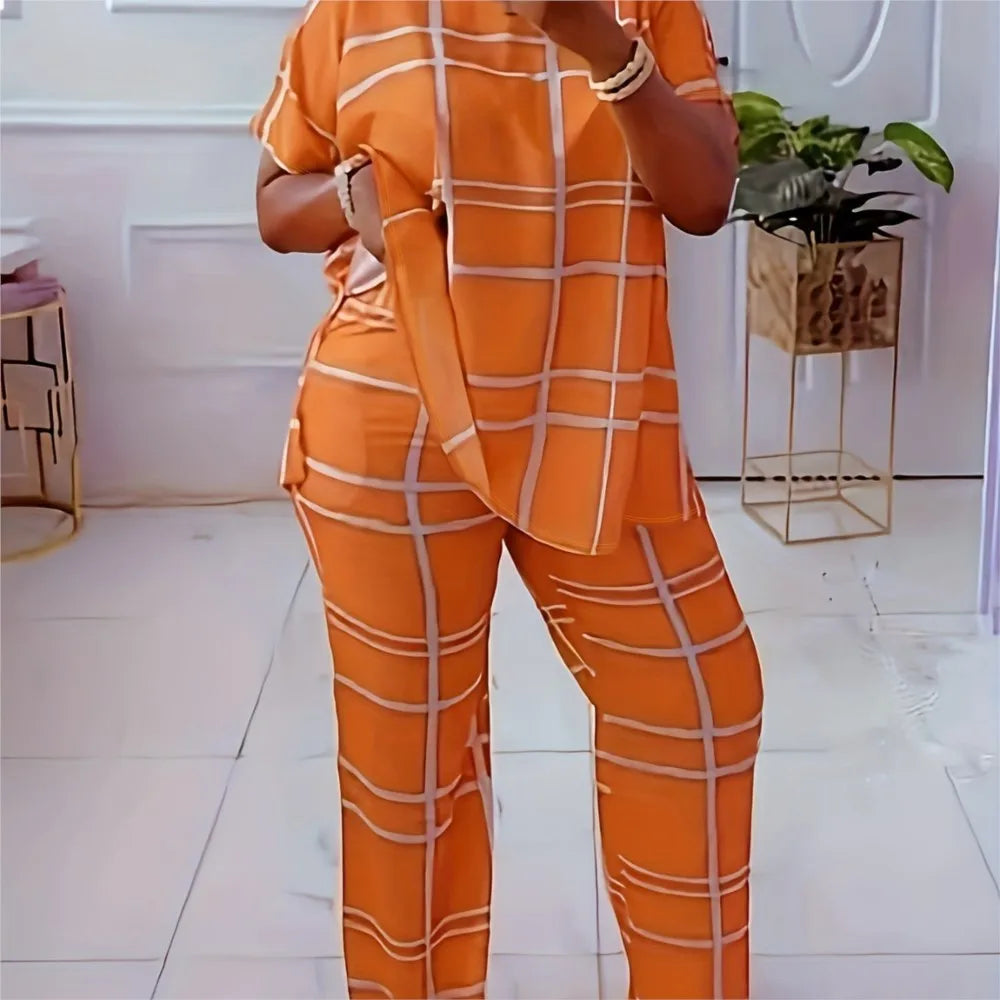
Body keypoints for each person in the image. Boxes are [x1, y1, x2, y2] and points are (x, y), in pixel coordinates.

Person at [252, 3, 763, 998]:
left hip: (596, 405)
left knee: (700, 699)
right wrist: (353, 196)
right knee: (410, 761)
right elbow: (275, 203)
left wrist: (601, 44)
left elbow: (703, 198)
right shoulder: (355, 10)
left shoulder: (642, 8)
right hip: (393, 417)